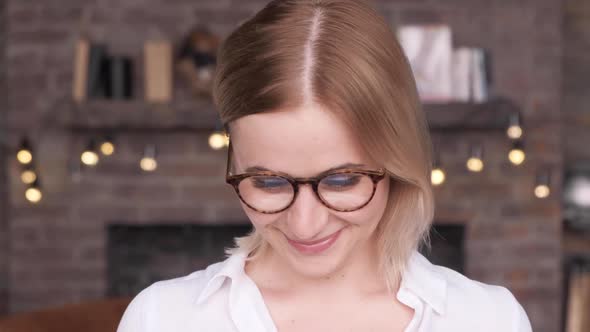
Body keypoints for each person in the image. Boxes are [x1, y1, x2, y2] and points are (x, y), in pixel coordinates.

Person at [117, 0, 533, 331]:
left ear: (395, 160)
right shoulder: (162, 319)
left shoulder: (488, 320)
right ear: (233, 160)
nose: (305, 225)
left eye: (341, 179)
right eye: (267, 182)